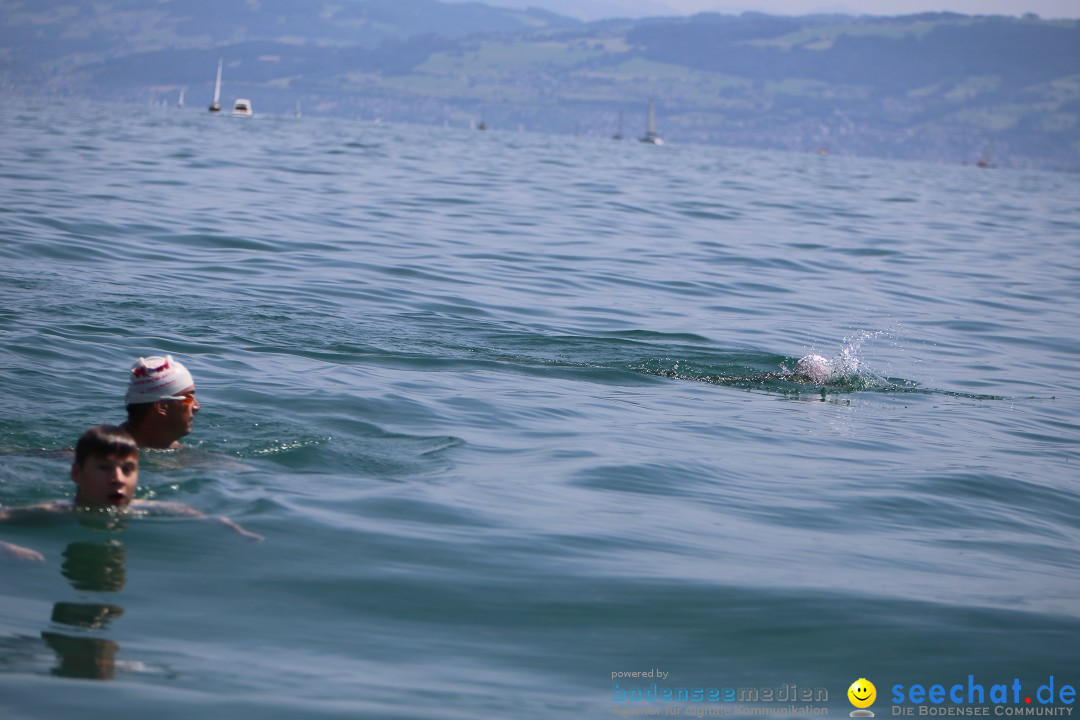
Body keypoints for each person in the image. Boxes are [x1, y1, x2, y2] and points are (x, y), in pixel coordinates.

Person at [1, 425, 261, 562]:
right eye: (104, 468)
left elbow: (189, 512)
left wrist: (231, 528)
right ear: (77, 474)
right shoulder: (54, 512)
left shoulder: (142, 507)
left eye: (127, 469)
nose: (117, 478)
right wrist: (8, 548)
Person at [121, 355, 200, 449]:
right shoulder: (112, 455)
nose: (196, 406)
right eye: (188, 397)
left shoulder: (166, 444)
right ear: (162, 407)